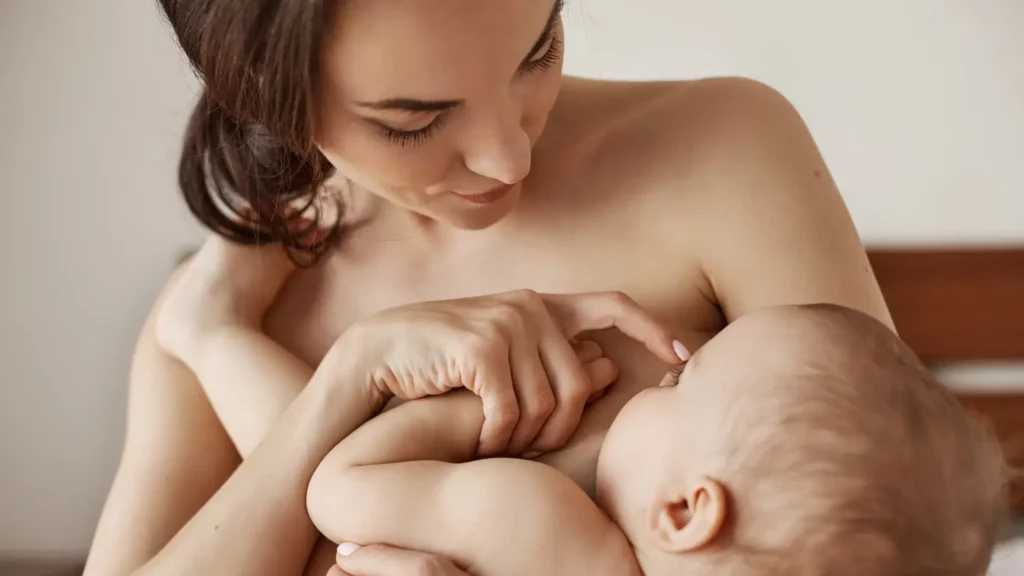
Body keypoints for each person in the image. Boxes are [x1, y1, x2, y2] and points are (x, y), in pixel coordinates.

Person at [86, 0, 894, 574]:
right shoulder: (224, 305)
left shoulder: (724, 152)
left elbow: (882, 521)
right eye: (413, 122)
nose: (509, 159)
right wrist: (346, 372)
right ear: (267, 93)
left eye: (536, 51)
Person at [308, 305, 1008, 576]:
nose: (664, 375)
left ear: (684, 511)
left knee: (270, 404)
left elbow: (335, 490)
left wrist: (480, 413)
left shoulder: (538, 523)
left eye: (682, 383)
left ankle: (212, 335)